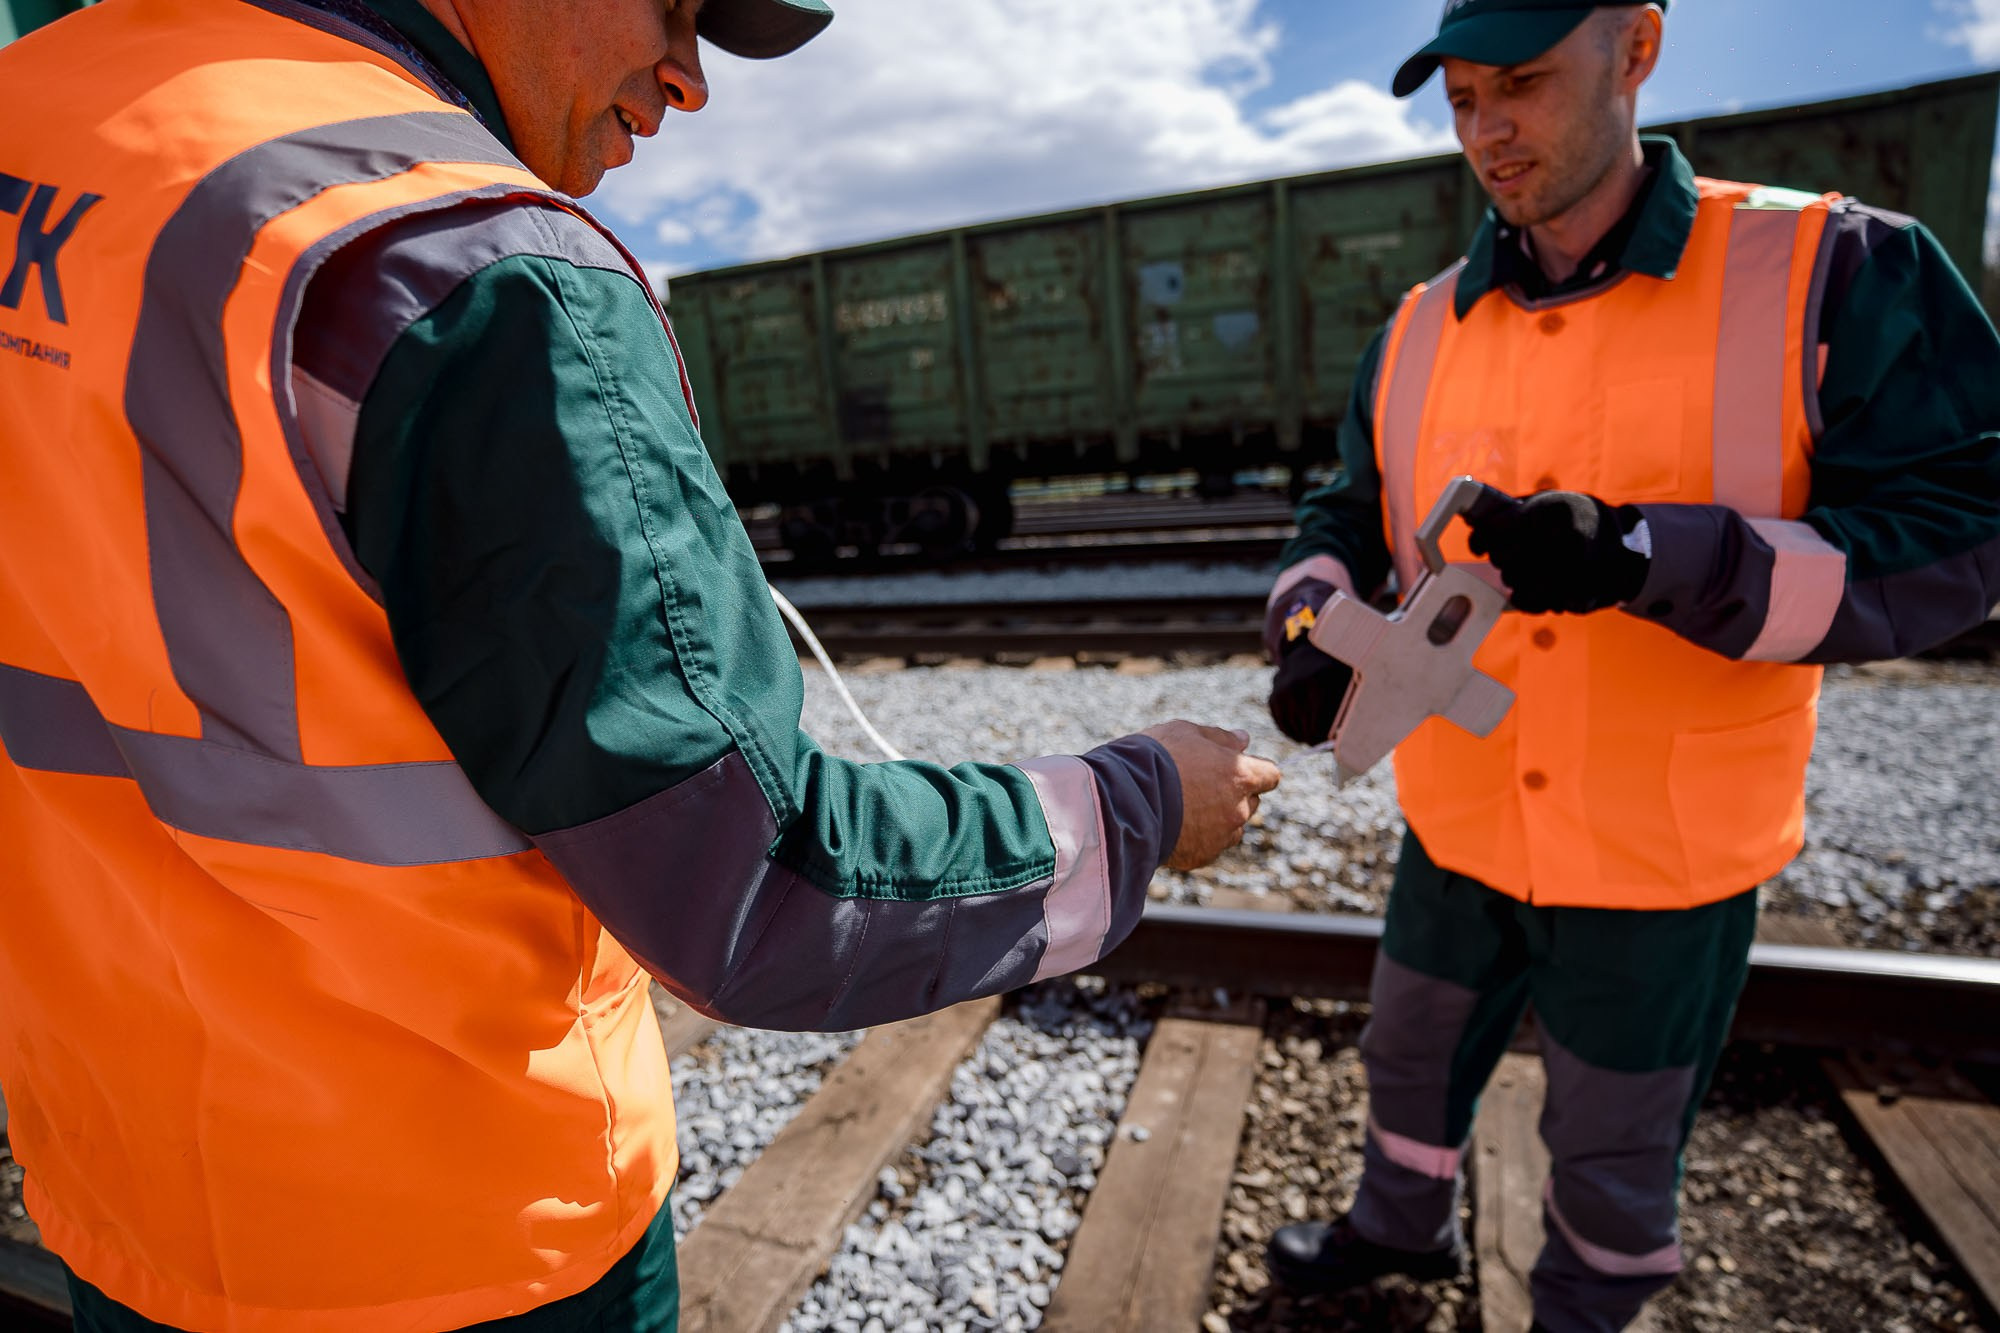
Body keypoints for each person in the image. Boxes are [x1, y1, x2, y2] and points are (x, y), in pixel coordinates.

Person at [0, 0, 1282, 1329]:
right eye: (679, 4)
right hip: (456, 1246)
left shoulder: (37, 112)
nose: (690, 79)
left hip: (122, 1195)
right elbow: (765, 886)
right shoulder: (459, 264)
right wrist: (1138, 804)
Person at [1262, 2, 2000, 1330]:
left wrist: (1660, 554)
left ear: (1638, 47)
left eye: (1524, 84)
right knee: (1408, 1054)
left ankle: (1587, 1309)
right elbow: (1346, 515)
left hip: (1664, 839)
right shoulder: (1418, 327)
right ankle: (1400, 1225)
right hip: (1461, 812)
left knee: (1614, 1138)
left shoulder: (1833, 268)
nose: (1488, 132)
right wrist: (1313, 622)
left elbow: (1967, 526)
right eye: (1464, 98)